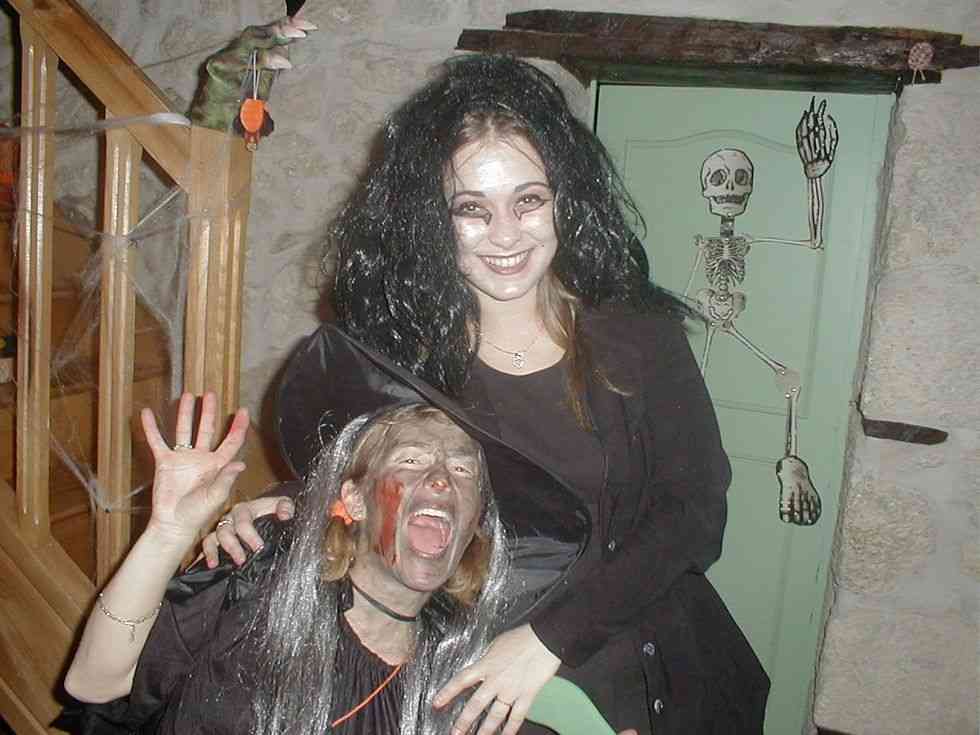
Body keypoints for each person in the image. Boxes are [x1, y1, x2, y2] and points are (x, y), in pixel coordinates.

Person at [206, 54, 770, 735]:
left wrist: (548, 640)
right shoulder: (405, 359)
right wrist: (285, 504)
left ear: (565, 198)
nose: (505, 235)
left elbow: (694, 515)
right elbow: (374, 479)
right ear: (432, 221)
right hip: (484, 683)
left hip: (646, 662)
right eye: (472, 209)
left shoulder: (640, 335)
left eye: (528, 200)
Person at [63, 395, 512, 734]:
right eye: (410, 459)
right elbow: (95, 683)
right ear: (355, 500)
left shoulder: (458, 677)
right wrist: (168, 532)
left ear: (475, 521)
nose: (441, 478)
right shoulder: (260, 582)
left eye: (463, 470)